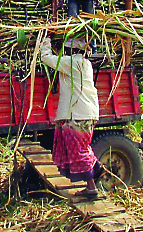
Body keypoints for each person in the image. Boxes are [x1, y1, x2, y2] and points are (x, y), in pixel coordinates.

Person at [40, 36, 106, 198]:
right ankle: (97, 170)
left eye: (67, 50)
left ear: (74, 51)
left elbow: (45, 58)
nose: (65, 53)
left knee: (79, 150)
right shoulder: (85, 64)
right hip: (85, 113)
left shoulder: (72, 63)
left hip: (77, 114)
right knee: (82, 148)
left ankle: (92, 186)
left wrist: (45, 40)